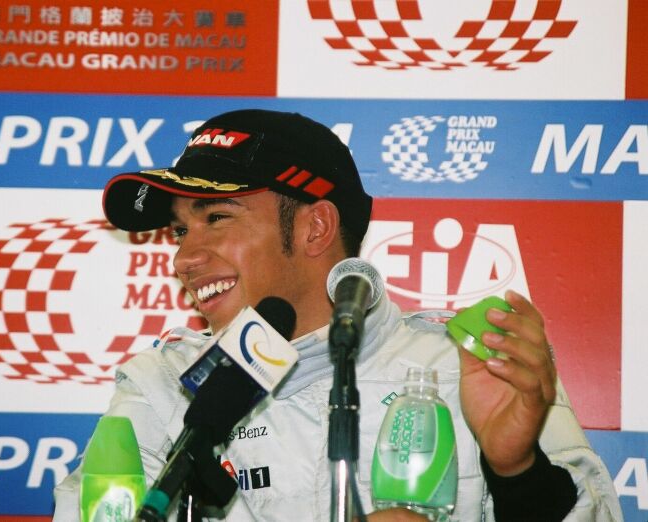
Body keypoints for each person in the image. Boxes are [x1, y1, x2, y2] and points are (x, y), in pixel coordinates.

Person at [54, 109, 622, 521]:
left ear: (316, 227)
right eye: (181, 230)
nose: (184, 258)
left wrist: (517, 471)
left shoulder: (472, 365)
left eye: (216, 219)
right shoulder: (162, 385)